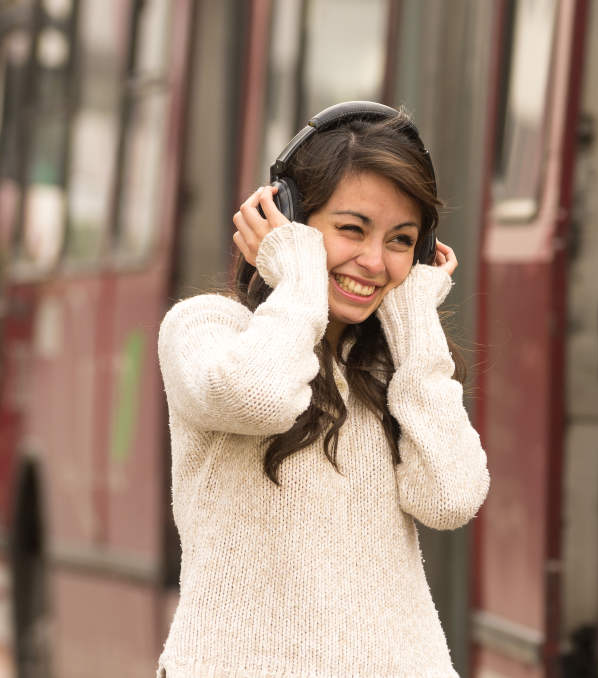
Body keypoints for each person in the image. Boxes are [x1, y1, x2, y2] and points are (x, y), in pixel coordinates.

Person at [155, 102, 489, 677]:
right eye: (352, 229)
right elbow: (260, 397)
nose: (374, 261)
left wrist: (414, 318)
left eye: (401, 240)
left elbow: (450, 498)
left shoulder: (397, 368)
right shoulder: (205, 330)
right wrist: (296, 273)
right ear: (289, 219)